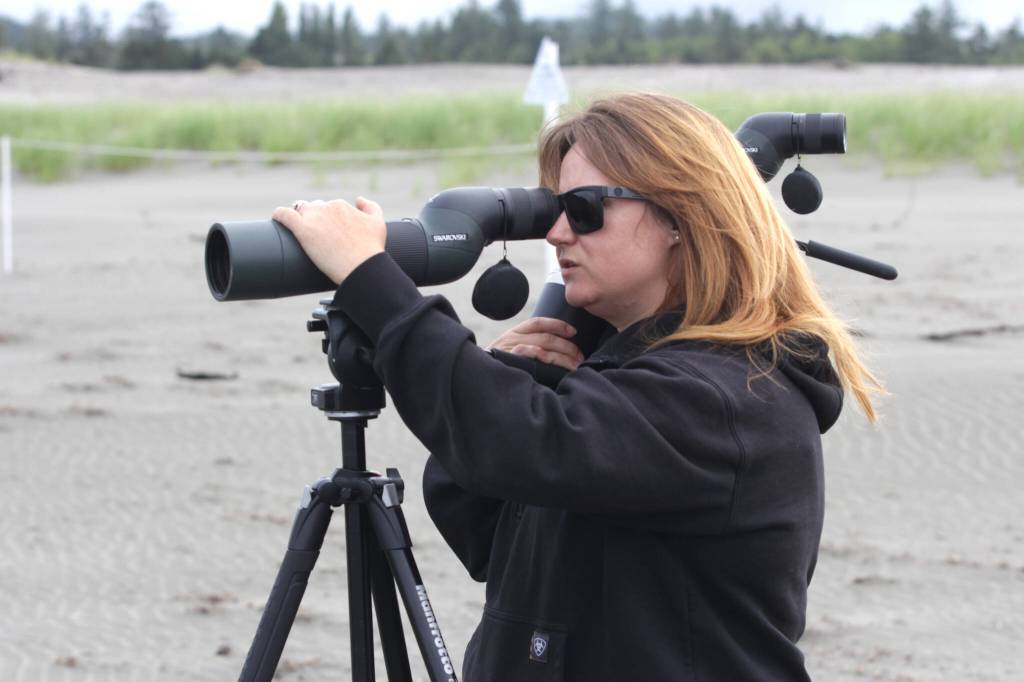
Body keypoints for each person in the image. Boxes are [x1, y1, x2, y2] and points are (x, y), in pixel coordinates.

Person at [271, 92, 884, 681]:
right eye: (554, 211)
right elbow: (490, 533)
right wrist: (515, 376)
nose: (559, 233)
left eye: (586, 209)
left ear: (682, 217)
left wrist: (372, 281)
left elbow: (523, 444)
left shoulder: (729, 395)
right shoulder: (621, 375)